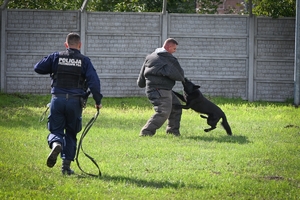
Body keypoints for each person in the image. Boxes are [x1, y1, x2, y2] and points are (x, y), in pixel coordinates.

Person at [34, 33, 103, 175]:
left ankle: (56, 144)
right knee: (71, 133)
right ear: (80, 45)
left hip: (57, 100)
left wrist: (54, 63)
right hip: (75, 102)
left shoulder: (56, 57)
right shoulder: (85, 61)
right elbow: (94, 82)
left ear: (66, 44)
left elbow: (38, 67)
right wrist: (98, 101)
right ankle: (65, 167)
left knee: (56, 130)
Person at [137, 38, 185, 137]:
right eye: (174, 49)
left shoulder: (150, 57)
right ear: (168, 47)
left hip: (153, 89)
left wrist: (141, 84)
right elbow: (180, 75)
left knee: (176, 107)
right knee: (163, 111)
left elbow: (141, 78)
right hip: (161, 90)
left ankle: (173, 132)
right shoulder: (169, 59)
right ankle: (146, 132)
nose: (175, 51)